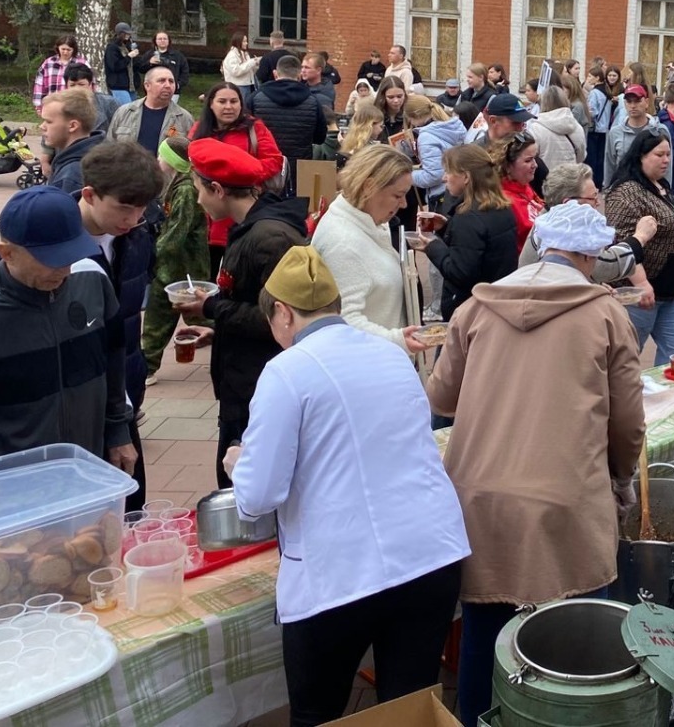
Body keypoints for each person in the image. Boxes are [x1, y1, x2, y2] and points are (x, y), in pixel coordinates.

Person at [226, 247, 469, 727]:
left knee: (317, 713)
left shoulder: (286, 370)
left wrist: (239, 465)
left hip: (340, 575)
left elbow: (257, 497)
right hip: (430, 555)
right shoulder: (389, 353)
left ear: (283, 312)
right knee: (410, 710)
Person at [427, 202, 645, 727]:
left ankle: (478, 717)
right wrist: (622, 479)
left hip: (479, 497)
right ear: (590, 257)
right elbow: (627, 422)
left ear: (539, 246)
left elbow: (441, 397)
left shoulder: (476, 306)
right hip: (568, 496)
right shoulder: (605, 313)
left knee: (483, 632)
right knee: (572, 637)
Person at [176, 139, 309, 485]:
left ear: (218, 190)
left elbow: (283, 320)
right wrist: (219, 330)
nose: (198, 200)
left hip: (257, 386)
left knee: (245, 485)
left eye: (199, 189)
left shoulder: (269, 238)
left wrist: (211, 307)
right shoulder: (253, 228)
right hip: (244, 380)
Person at [0, 186, 131, 464]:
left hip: (88, 464)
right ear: (7, 253)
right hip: (13, 478)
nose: (65, 269)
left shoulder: (93, 279)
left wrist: (118, 431)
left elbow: (114, 359)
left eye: (72, 254)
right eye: (50, 259)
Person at [77, 140, 160, 509]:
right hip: (77, 403)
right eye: (124, 208)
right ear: (89, 195)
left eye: (141, 208)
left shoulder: (139, 234)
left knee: (131, 503)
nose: (133, 218)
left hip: (124, 387)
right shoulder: (52, 244)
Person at [310, 145, 428, 355]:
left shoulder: (368, 220)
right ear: (369, 187)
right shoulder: (343, 243)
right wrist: (398, 340)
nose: (403, 204)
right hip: (369, 362)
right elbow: (343, 321)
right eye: (397, 195)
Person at [604, 128, 674, 365]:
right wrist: (641, 283)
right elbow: (622, 242)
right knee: (627, 354)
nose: (666, 160)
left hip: (671, 290)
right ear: (641, 156)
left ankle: (666, 387)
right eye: (659, 155)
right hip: (641, 292)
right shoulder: (625, 192)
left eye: (668, 154)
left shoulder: (660, 184)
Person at [406, 144, 519, 319]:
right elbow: (479, 248)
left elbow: (460, 273)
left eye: (448, 172)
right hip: (495, 299)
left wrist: (433, 247)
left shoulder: (468, 217)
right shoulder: (502, 207)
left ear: (465, 177)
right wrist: (447, 227)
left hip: (471, 309)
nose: (444, 178)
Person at [140, 137, 210, 381]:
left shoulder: (186, 191)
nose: (158, 159)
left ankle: (146, 369)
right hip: (179, 265)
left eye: (162, 156)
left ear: (172, 161)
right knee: (196, 315)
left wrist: (152, 256)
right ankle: (147, 367)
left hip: (180, 266)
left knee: (160, 315)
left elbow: (176, 232)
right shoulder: (179, 184)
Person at [194, 83, 286, 266]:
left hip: (241, 206)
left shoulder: (254, 128)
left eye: (234, 101)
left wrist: (242, 175)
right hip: (209, 209)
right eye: (222, 101)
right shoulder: (199, 129)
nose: (229, 107)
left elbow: (274, 160)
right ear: (211, 104)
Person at [518, 162, 651, 287]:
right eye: (593, 197)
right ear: (568, 203)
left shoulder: (549, 219)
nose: (598, 203)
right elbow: (602, 267)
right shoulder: (561, 229)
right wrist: (639, 238)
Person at [251, 56, 329, 190]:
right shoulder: (313, 102)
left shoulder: (256, 98)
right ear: (299, 75)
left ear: (275, 74)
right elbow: (320, 137)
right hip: (299, 169)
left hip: (265, 167)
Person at [106, 66, 195, 151]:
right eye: (161, 81)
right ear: (147, 85)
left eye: (171, 81)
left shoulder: (184, 118)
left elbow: (190, 153)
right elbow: (109, 148)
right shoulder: (124, 112)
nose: (168, 85)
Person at [406, 93, 467, 207]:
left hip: (442, 194)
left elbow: (433, 176)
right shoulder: (454, 125)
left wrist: (407, 176)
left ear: (415, 115)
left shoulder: (426, 137)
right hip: (461, 186)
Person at [41, 89, 104, 195]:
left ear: (73, 126)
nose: (42, 126)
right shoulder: (96, 153)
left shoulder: (72, 174)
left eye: (48, 121)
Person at [603, 83, 667, 187]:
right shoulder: (615, 133)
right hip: (622, 191)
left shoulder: (659, 131)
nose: (633, 106)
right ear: (625, 104)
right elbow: (609, 166)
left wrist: (666, 192)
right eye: (629, 101)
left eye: (637, 101)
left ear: (646, 102)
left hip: (652, 191)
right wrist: (607, 190)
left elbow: (667, 166)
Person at [493, 132, 546, 253]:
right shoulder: (503, 201)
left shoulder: (524, 185)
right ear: (507, 166)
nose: (535, 165)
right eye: (528, 161)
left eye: (535, 158)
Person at [530, 85, 587, 168]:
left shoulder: (535, 129)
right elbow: (581, 157)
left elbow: (531, 156)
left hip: (546, 174)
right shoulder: (577, 127)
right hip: (570, 173)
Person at [587, 65, 622, 183]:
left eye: (590, 76)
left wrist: (587, 112)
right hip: (605, 128)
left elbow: (593, 112)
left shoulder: (595, 92)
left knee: (592, 158)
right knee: (601, 158)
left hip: (595, 128)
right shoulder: (607, 92)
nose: (588, 78)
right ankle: (600, 181)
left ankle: (593, 182)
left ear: (597, 78)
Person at [63, 62, 118, 132]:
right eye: (72, 85)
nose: (77, 89)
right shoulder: (60, 106)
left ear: (90, 84)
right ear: (66, 86)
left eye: (81, 84)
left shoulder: (108, 103)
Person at [135, 31, 189, 100]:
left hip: (172, 91)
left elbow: (185, 72)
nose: (162, 41)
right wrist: (149, 63)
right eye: (160, 39)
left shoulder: (177, 56)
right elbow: (140, 69)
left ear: (169, 41)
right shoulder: (149, 54)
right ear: (155, 41)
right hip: (153, 90)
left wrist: (178, 84)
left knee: (168, 107)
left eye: (165, 39)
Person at [32, 33, 78, 112]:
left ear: (73, 50)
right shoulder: (48, 63)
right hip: (52, 106)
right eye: (63, 49)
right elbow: (40, 84)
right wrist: (38, 104)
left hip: (74, 107)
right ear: (58, 48)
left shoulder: (81, 63)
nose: (65, 52)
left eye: (68, 50)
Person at [104, 22, 138, 105]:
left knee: (134, 110)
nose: (128, 35)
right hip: (118, 86)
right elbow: (114, 66)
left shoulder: (127, 46)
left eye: (129, 33)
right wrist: (128, 57)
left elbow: (134, 66)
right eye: (125, 33)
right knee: (126, 110)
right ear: (119, 33)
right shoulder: (112, 47)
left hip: (131, 86)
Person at [222, 31, 258, 100]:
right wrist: (251, 62)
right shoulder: (232, 55)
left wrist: (256, 64)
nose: (246, 43)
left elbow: (249, 71)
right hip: (238, 86)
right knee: (241, 104)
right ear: (238, 42)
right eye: (244, 41)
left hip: (248, 84)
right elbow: (236, 71)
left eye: (246, 41)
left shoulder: (245, 54)